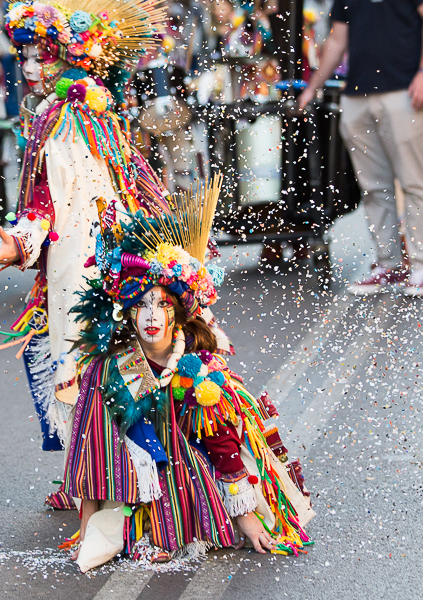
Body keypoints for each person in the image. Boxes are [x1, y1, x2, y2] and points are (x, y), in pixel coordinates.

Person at [60, 210, 314, 571]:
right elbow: (93, 452)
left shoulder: (198, 365)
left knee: (189, 469)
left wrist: (244, 515)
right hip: (130, 478)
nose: (151, 317)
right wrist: (86, 530)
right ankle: (139, 526)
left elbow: (221, 438)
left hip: (191, 465)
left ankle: (181, 522)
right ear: (127, 313)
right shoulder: (110, 368)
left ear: (178, 313)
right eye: (141, 305)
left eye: (163, 304)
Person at [0, 0, 171, 456]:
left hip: (90, 260)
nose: (29, 65)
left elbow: (50, 202)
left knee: (97, 362)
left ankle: (134, 466)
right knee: (74, 353)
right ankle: (100, 466)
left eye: (40, 55)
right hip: (103, 254)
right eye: (24, 56)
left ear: (67, 56)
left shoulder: (65, 115)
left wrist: (19, 242)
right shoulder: (80, 107)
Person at [298, 0, 423, 298]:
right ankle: (389, 263)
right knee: (374, 187)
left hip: (404, 88)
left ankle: (420, 267)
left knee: (414, 182)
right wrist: (313, 86)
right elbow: (339, 38)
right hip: (357, 93)